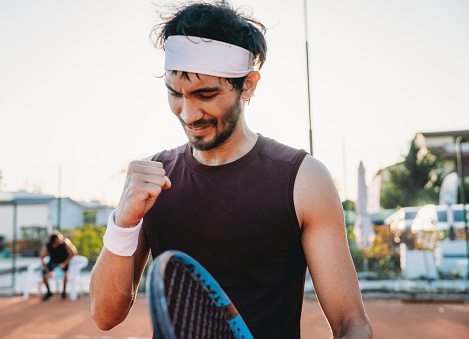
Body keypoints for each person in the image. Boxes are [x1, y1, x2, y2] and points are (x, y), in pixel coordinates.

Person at [90, 1, 373, 337]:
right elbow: (104, 316)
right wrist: (123, 222)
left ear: (248, 85)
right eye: (175, 93)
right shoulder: (153, 178)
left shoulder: (303, 180)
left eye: (205, 94)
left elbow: (350, 322)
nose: (188, 113)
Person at [41, 231, 77, 300]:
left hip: (63, 262)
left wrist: (65, 263)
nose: (58, 242)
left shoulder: (65, 242)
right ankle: (49, 292)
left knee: (65, 273)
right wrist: (47, 271)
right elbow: (42, 257)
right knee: (43, 274)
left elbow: (73, 253)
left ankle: (64, 291)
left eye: (59, 240)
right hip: (52, 263)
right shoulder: (48, 245)